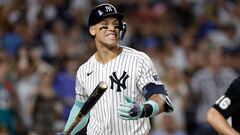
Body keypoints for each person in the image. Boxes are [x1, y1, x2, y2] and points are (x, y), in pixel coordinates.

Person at [63, 3, 174, 135]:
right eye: (105, 24)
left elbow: (160, 99)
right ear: (92, 30)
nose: (112, 28)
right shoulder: (84, 70)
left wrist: (143, 110)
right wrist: (66, 132)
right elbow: (81, 107)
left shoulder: (138, 60)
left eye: (115, 24)